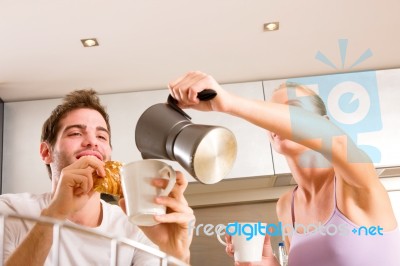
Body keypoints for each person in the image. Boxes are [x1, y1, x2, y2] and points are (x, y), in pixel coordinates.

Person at [168, 71, 400, 266]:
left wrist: (228, 103)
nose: (274, 121)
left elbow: (337, 141)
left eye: (292, 111)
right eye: (272, 115)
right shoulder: (286, 205)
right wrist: (267, 262)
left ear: (324, 122)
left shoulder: (355, 180)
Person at [0, 89, 195, 265]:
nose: (92, 142)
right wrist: (54, 215)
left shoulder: (136, 226)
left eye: (102, 137)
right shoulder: (9, 211)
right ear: (45, 152)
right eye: (75, 133)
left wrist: (176, 255)